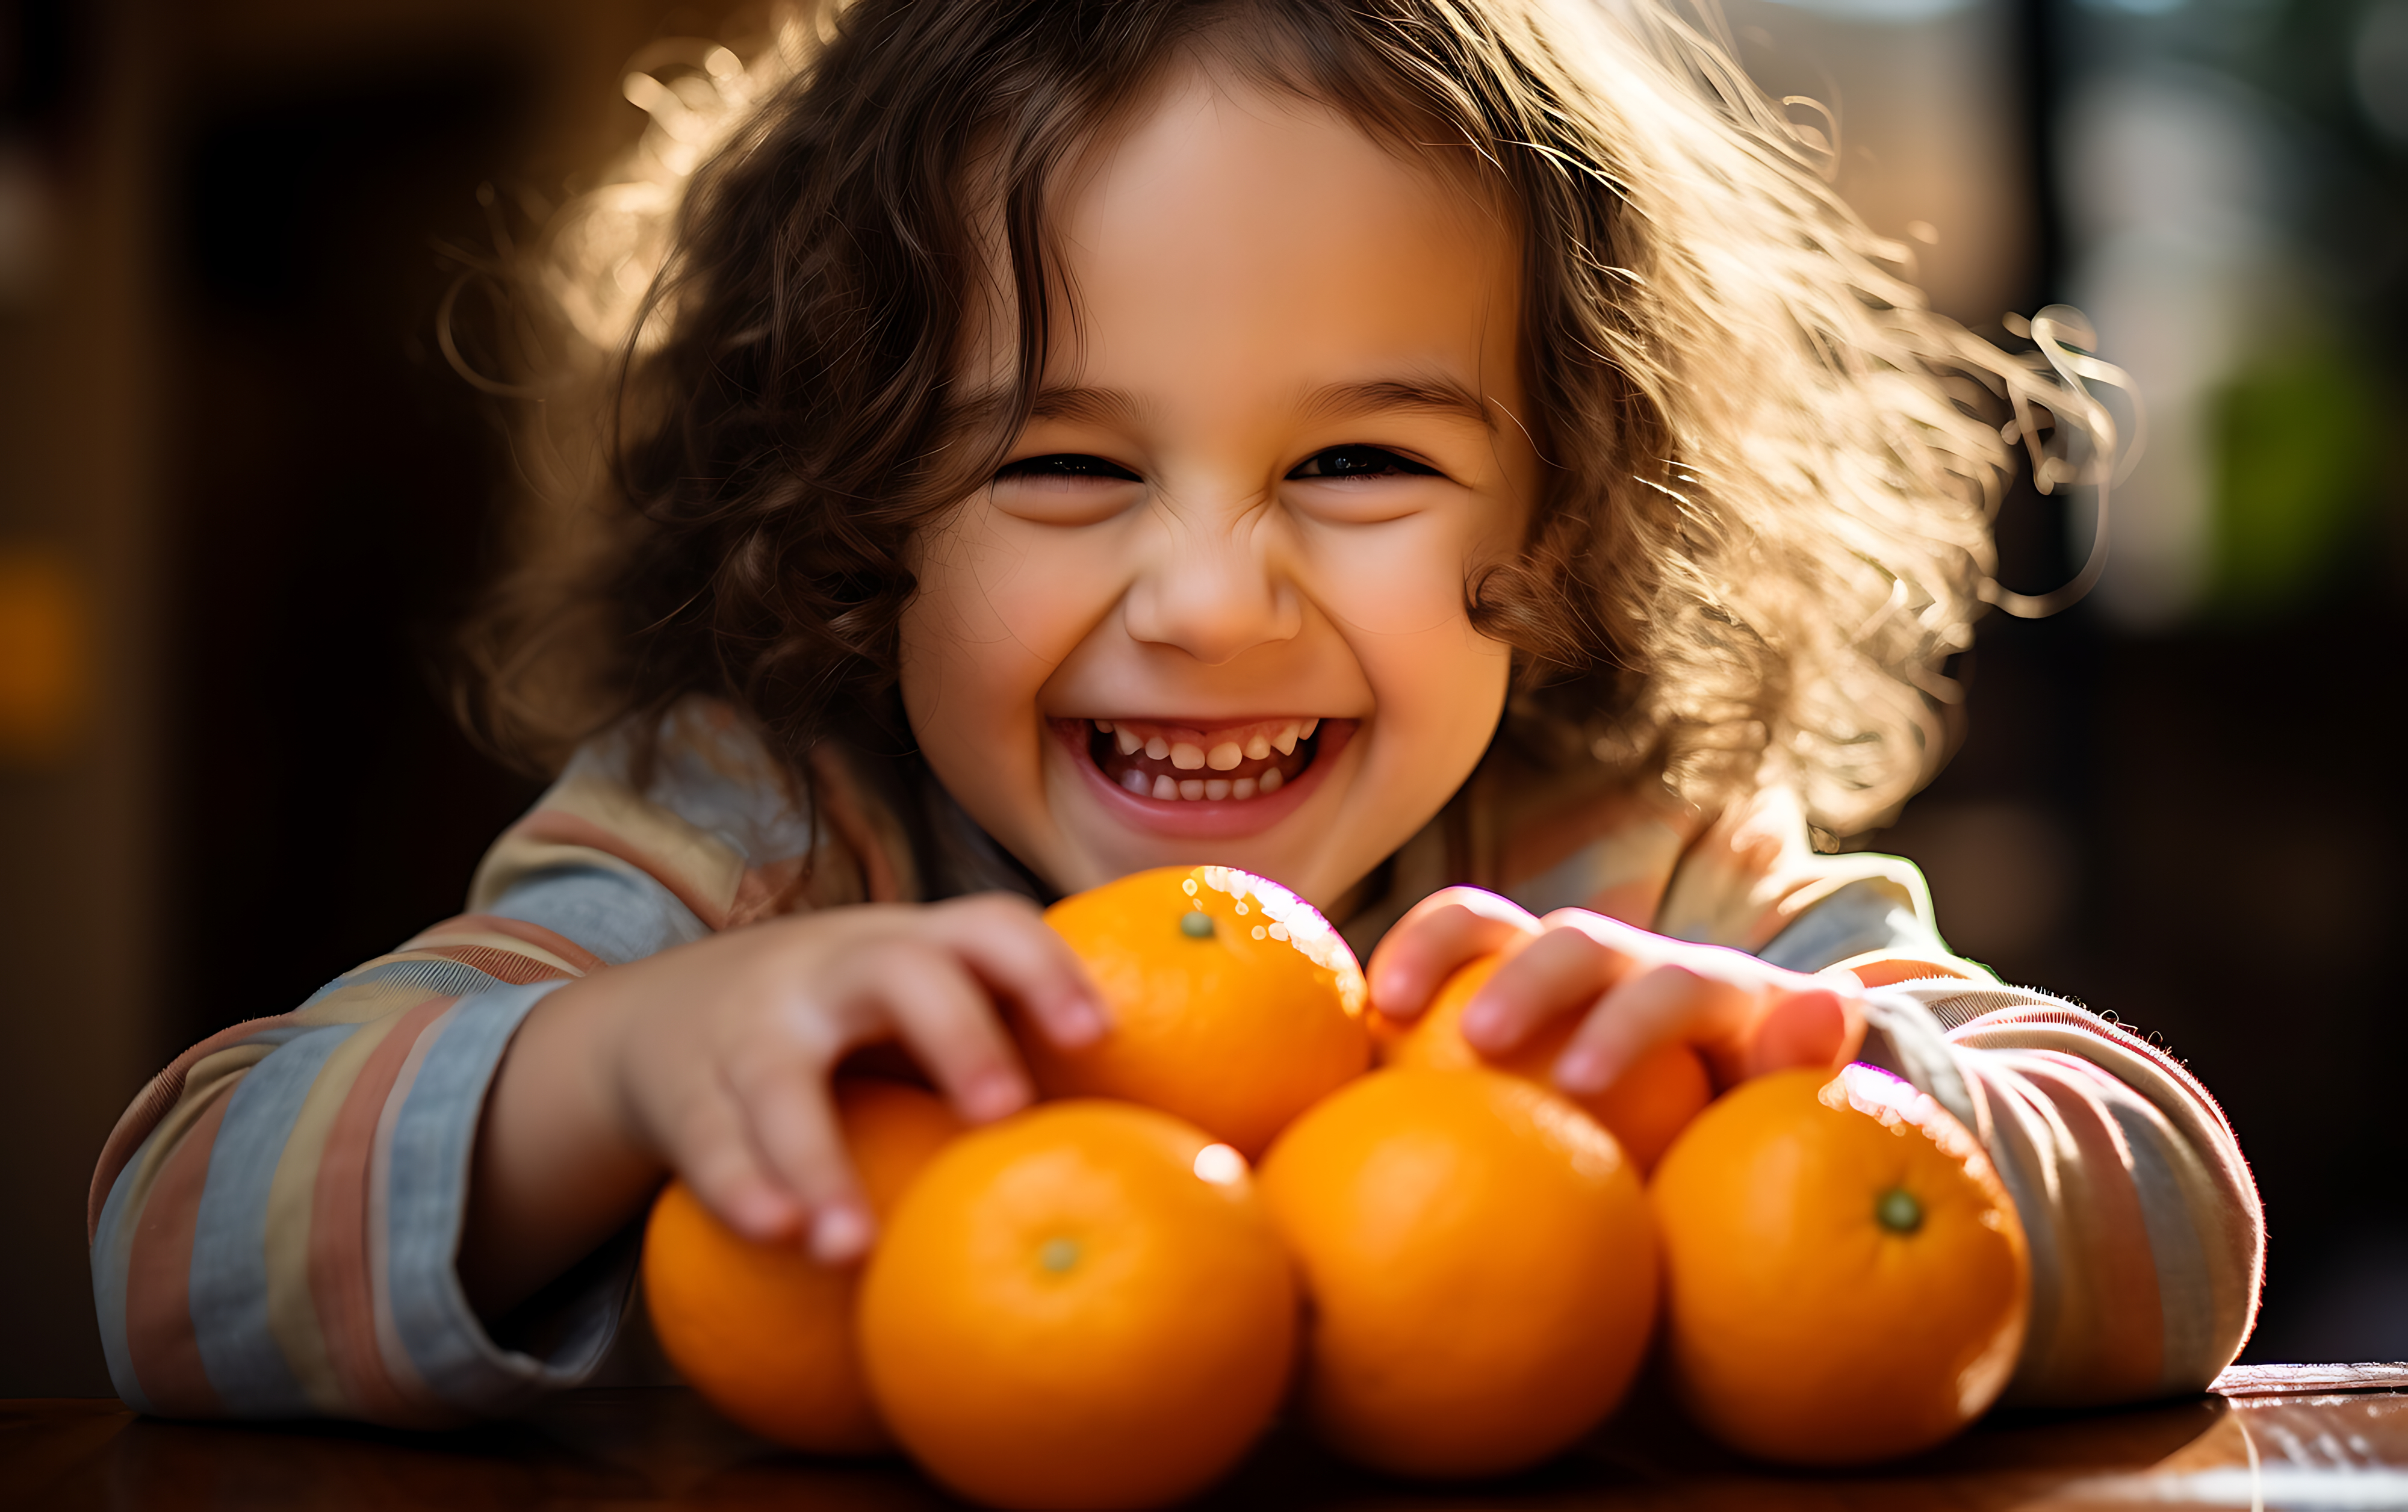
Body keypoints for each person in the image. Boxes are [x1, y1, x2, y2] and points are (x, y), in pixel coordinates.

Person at [89, 0, 2259, 1429]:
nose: (1215, 602)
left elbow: (2182, 1233)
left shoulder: (1626, 868)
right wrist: (634, 1058)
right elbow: (171, 1253)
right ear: (849, 514)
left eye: (1361, 466)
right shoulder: (750, 844)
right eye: (1060, 466)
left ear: (1578, 511)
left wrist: (1810, 1076)